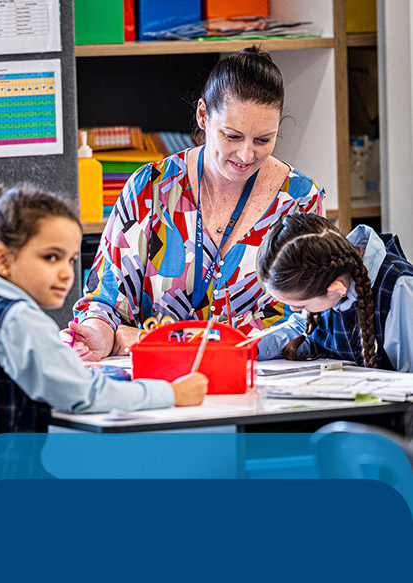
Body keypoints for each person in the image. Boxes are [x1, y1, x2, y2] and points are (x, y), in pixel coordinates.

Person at [66, 46, 325, 361]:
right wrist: (97, 332)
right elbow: (104, 298)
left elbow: (303, 318)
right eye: (232, 136)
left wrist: (167, 341)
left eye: (263, 140)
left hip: (255, 380)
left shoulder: (300, 201)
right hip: (157, 380)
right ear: (203, 115)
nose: (246, 155)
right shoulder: (151, 187)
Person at [0, 180, 208, 466]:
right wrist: (171, 393)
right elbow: (85, 394)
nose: (67, 273)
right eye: (51, 257)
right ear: (3, 260)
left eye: (71, 260)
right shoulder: (19, 319)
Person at [256, 213, 413, 371]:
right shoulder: (326, 274)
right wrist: (254, 347)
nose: (293, 310)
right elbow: (303, 330)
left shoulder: (399, 288)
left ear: (337, 288)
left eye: (301, 306)